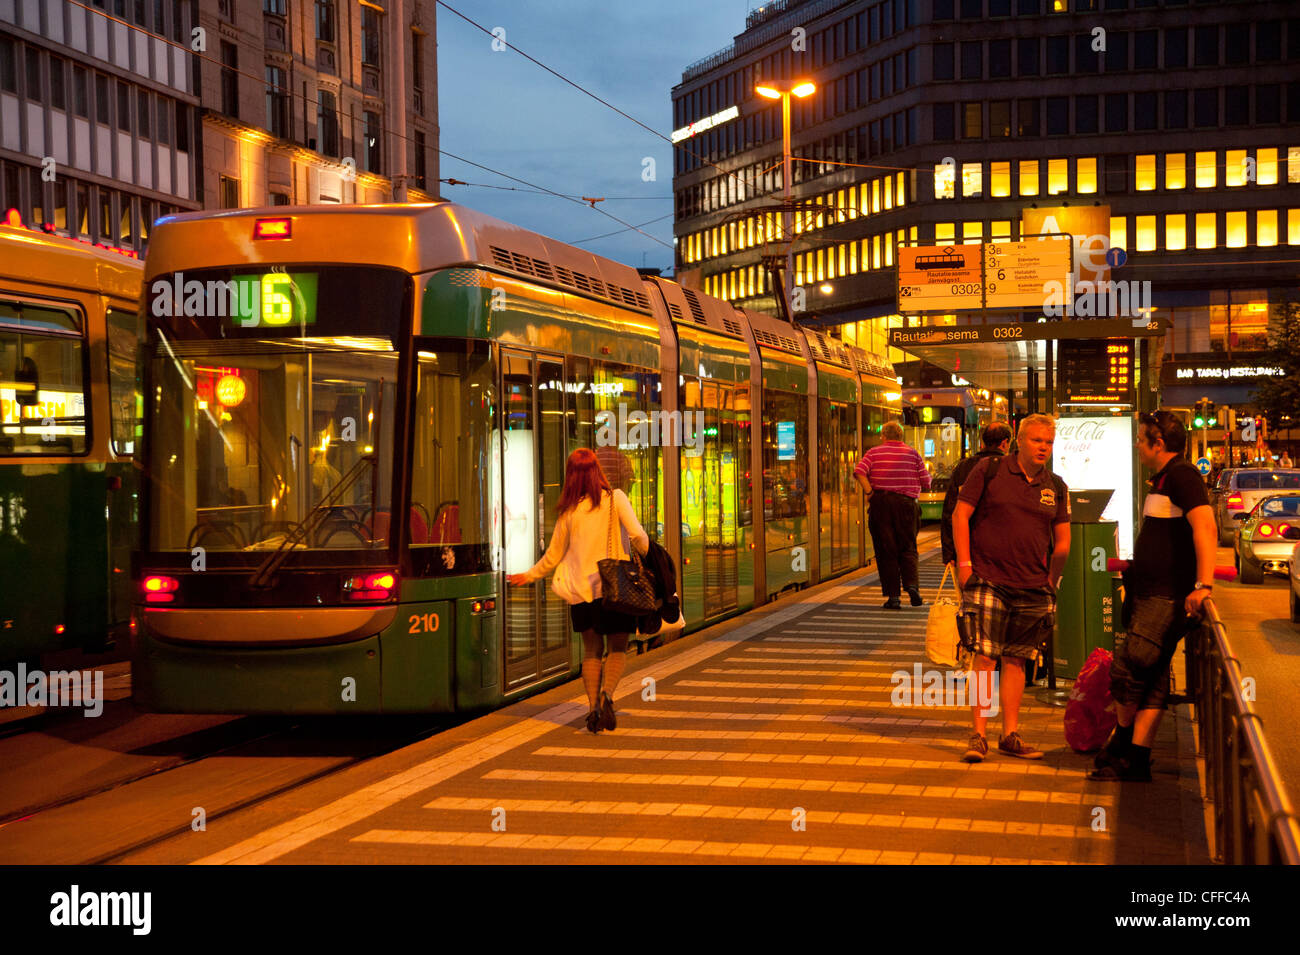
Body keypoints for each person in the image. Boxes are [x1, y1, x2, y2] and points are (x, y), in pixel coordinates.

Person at [1090, 411, 1215, 782]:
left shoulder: (1181, 475)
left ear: (1158, 444)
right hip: (1151, 593)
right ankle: (1136, 760)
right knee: (1153, 676)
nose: (1136, 445)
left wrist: (1203, 585)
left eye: (1141, 438)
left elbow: (1205, 526)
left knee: (1128, 667)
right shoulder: (1164, 478)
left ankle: (1123, 743)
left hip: (1165, 597)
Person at [952, 414, 1071, 762]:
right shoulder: (989, 471)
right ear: (1019, 441)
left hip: (1034, 584)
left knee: (1017, 660)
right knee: (986, 657)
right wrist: (964, 565)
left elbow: (1062, 541)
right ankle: (978, 734)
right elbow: (961, 515)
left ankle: (1010, 734)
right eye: (1037, 441)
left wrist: (1052, 580)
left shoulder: (1056, 486)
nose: (1043, 448)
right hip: (988, 578)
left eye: (1048, 443)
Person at [506, 448, 649, 734]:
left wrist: (528, 575)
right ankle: (608, 695)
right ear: (598, 471)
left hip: (581, 593)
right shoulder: (616, 499)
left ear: (571, 476)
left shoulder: (569, 511)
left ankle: (592, 709)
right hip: (615, 589)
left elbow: (553, 555)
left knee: (592, 651)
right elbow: (638, 536)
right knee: (618, 647)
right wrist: (649, 556)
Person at [853, 420, 931, 608]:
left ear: (884, 436)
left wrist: (869, 492)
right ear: (901, 436)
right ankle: (912, 587)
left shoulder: (873, 453)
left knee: (885, 550)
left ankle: (894, 597)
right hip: (906, 505)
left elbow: (859, 471)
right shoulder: (913, 454)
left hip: (881, 504)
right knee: (908, 547)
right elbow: (926, 482)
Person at [940, 422, 1013, 571]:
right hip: (1002, 551)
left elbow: (949, 511)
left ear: (983, 442)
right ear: (1005, 443)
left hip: (966, 550)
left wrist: (949, 553)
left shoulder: (963, 467)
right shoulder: (1010, 467)